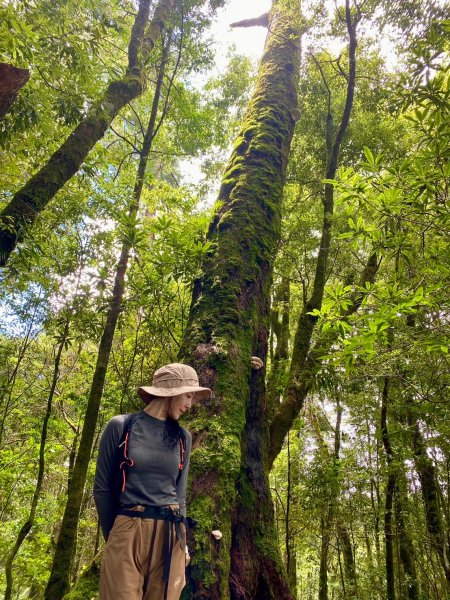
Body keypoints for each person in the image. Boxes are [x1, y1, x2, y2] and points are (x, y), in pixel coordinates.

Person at [94, 362, 211, 600]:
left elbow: (180, 495)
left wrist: (184, 542)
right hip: (128, 527)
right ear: (171, 391)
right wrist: (115, 537)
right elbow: (102, 489)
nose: (190, 405)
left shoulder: (183, 438)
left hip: (171, 534)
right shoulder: (121, 426)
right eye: (188, 395)